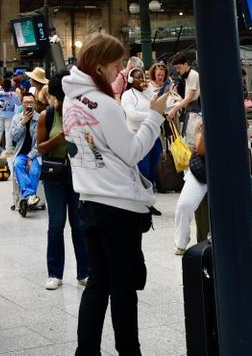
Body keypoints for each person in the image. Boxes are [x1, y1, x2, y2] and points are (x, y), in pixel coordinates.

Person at [62, 34, 170, 356]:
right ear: (98, 66)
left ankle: (87, 351)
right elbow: (133, 152)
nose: (121, 70)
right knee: (124, 288)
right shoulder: (106, 104)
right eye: (116, 64)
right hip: (118, 208)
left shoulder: (71, 100)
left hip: (89, 202)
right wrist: (155, 115)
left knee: (98, 282)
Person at [37, 73, 89, 290]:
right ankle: (54, 273)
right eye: (59, 97)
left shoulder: (81, 113)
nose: (62, 102)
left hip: (78, 174)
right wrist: (57, 139)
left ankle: (84, 272)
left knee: (79, 224)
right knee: (56, 223)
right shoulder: (46, 116)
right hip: (54, 174)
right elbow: (39, 148)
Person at [121, 67, 161, 189]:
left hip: (153, 136)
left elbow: (157, 102)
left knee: (153, 168)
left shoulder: (146, 93)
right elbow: (132, 115)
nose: (142, 79)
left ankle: (149, 196)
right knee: (143, 168)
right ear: (131, 79)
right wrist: (152, 116)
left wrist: (148, 89)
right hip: (137, 135)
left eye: (143, 76)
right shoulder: (127, 95)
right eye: (139, 77)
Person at [173, 124, 207, 256]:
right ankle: (181, 242)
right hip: (201, 170)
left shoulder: (234, 118)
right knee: (184, 205)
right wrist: (204, 133)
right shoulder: (201, 123)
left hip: (227, 168)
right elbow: (201, 150)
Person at [9, 92, 42, 215]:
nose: (29, 105)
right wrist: (23, 122)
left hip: (35, 154)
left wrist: (30, 156)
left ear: (35, 104)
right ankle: (30, 196)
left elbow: (40, 143)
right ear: (21, 104)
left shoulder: (40, 119)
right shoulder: (16, 118)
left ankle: (25, 200)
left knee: (34, 171)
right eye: (26, 102)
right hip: (21, 154)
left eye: (31, 102)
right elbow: (13, 137)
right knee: (17, 165)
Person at [169, 53, 201, 141]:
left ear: (186, 64)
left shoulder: (193, 75)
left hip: (195, 110)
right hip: (191, 110)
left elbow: (189, 98)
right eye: (176, 68)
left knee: (192, 139)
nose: (178, 70)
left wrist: (174, 109)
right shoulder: (188, 76)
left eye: (179, 67)